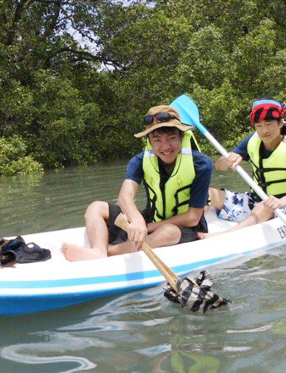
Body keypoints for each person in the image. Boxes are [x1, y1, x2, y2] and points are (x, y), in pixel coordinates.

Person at [61, 105, 213, 261]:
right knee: (96, 207)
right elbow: (125, 196)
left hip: (186, 228)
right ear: (149, 141)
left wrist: (149, 227)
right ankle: (97, 251)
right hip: (150, 219)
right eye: (157, 140)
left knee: (168, 232)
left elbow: (193, 217)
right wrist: (137, 220)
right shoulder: (139, 161)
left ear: (181, 136)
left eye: (171, 138)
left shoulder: (201, 164)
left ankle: (109, 252)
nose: (165, 146)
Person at [199, 98, 286, 238]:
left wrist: (280, 202)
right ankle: (191, 228)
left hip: (284, 205)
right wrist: (228, 159)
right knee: (205, 192)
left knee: (265, 206)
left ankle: (224, 235)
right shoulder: (253, 140)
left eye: (269, 124)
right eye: (259, 126)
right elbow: (219, 166)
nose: (264, 130)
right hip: (254, 200)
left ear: (280, 123)